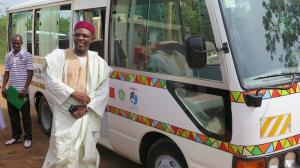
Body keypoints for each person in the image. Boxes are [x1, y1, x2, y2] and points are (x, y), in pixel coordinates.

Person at [42, 21, 111, 168]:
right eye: (77, 35)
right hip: (64, 115)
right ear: (73, 36)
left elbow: (103, 92)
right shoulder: (59, 57)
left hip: (87, 114)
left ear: (92, 38)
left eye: (85, 35)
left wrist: (85, 109)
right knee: (60, 153)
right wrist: (73, 93)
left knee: (86, 155)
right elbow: (50, 79)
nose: (81, 38)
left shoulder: (100, 63)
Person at [2, 34, 34, 148]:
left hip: (22, 91)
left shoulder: (27, 55)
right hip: (12, 91)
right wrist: (3, 87)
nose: (16, 45)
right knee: (13, 116)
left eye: (18, 43)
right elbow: (6, 73)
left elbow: (30, 72)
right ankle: (16, 136)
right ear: (11, 42)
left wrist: (25, 89)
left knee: (25, 116)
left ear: (22, 43)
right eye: (14, 43)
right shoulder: (8, 56)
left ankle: (28, 137)